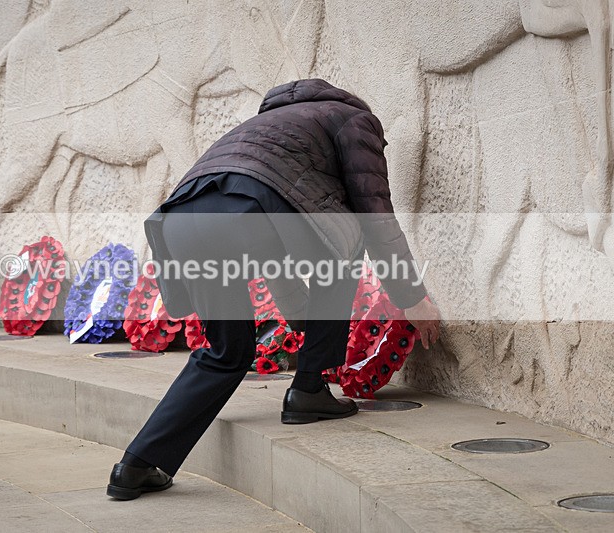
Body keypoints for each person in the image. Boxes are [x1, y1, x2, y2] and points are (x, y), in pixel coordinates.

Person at [106, 79, 441, 501]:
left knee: (226, 353)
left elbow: (270, 214)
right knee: (349, 241)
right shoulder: (354, 119)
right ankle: (308, 388)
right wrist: (411, 295)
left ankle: (135, 466)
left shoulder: (261, 126)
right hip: (248, 213)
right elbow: (373, 212)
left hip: (180, 221)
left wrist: (297, 307)